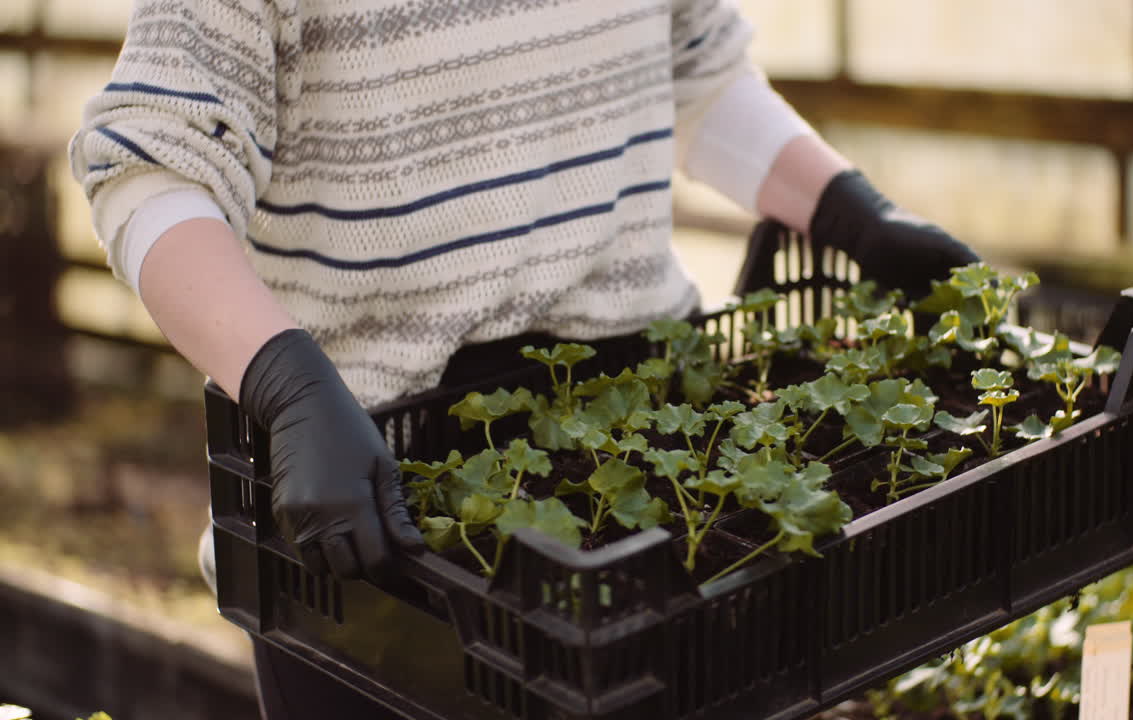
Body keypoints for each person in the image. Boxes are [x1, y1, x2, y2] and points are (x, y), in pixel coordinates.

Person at [69, 1, 977, 716]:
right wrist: (285, 380)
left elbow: (695, 74)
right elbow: (150, 170)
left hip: (647, 451)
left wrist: (850, 211)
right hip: (374, 501)